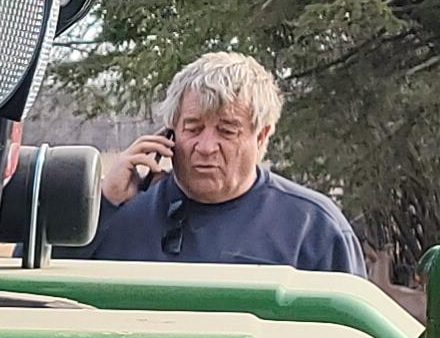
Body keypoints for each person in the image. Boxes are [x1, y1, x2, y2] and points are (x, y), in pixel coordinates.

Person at [91, 51, 363, 270]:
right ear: (169, 132)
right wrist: (102, 204)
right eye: (193, 128)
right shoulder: (118, 214)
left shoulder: (314, 229)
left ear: (261, 137)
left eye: (227, 131)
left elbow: (349, 334)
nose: (206, 147)